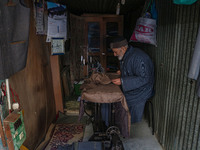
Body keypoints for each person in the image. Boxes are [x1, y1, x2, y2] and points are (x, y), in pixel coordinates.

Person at [110, 36, 154, 123]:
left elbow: (144, 78)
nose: (114, 55)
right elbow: (132, 70)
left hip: (143, 90)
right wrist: (122, 72)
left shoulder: (138, 58)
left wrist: (122, 81)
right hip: (135, 87)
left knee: (120, 100)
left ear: (123, 48)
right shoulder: (128, 54)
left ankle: (127, 124)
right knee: (116, 97)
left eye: (115, 52)